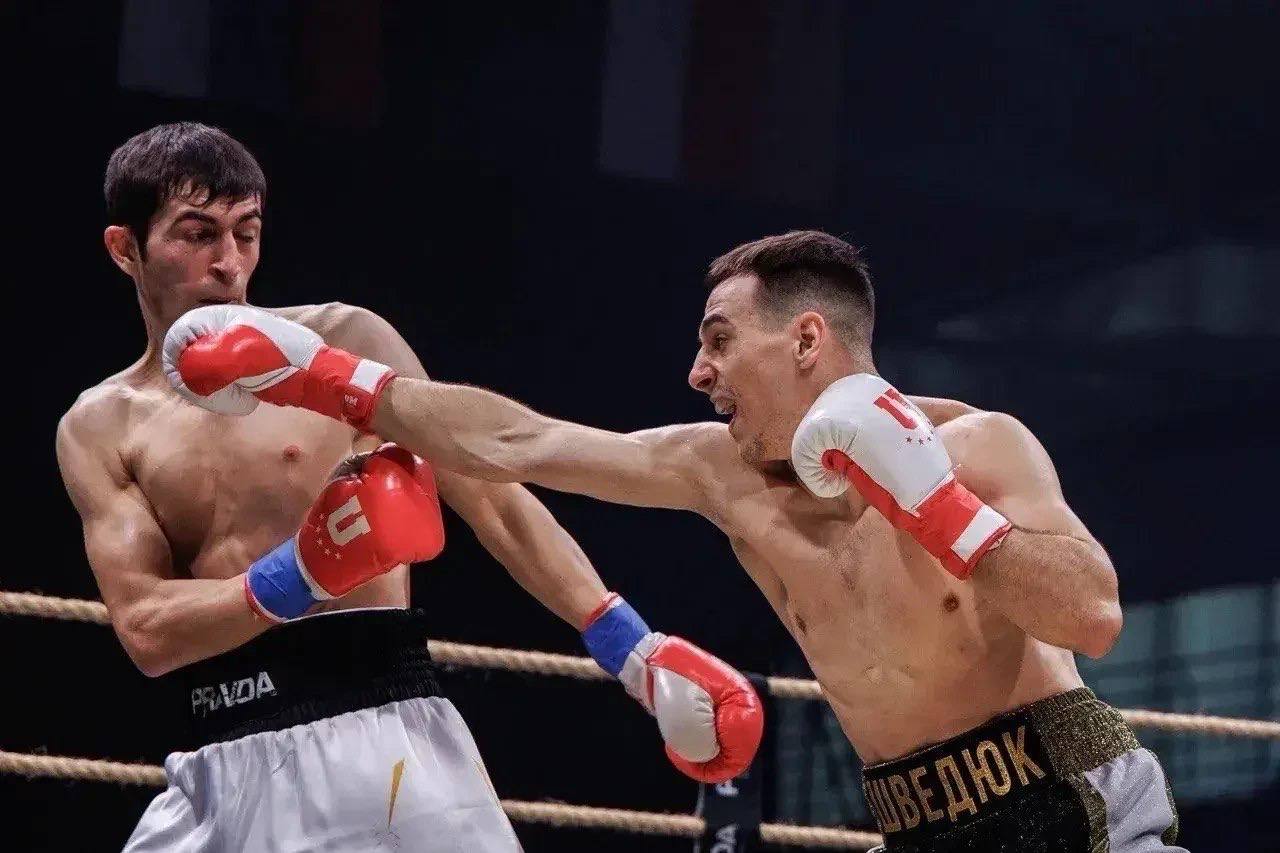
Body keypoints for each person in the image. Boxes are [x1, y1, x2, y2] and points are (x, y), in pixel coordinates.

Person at [165, 228, 1189, 851]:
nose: (698, 373)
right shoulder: (719, 470)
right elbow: (524, 440)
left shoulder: (975, 444)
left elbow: (1092, 613)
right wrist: (334, 380)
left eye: (718, 339)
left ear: (805, 338)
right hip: (914, 825)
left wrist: (940, 507)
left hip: (1072, 802)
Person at [56, 122, 762, 852]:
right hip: (216, 767)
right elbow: (146, 630)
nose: (229, 263)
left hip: (380, 741)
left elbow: (493, 499)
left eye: (247, 232)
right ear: (125, 248)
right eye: (198, 234)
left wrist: (632, 649)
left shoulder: (338, 344)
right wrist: (300, 573)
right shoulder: (99, 425)